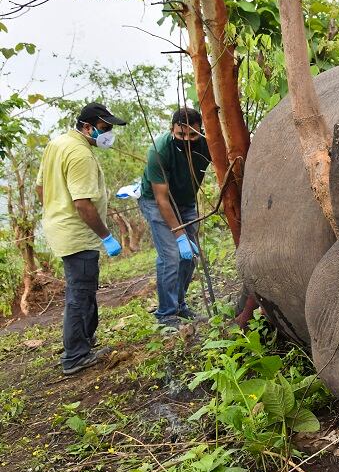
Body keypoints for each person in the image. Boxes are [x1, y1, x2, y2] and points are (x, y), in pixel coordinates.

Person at [36, 102, 127, 376]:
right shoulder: (80, 155)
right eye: (104, 128)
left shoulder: (58, 144)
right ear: (87, 127)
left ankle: (83, 341)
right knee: (80, 293)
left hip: (60, 228)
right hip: (77, 233)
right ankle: (75, 355)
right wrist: (106, 236)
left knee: (83, 289)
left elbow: (40, 187)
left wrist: (54, 210)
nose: (108, 133)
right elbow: (84, 204)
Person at [138, 107, 211, 329]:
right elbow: (161, 199)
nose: (187, 140)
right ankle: (166, 315)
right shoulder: (159, 151)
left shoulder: (208, 145)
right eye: (181, 135)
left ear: (200, 132)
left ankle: (179, 304)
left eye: (192, 135)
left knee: (189, 258)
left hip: (186, 201)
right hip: (156, 202)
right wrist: (180, 236)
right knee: (171, 256)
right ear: (172, 130)